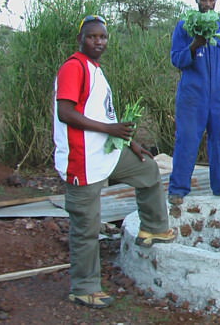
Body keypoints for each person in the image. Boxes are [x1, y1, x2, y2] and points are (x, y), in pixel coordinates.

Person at [54, 15, 175, 309]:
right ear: (80, 39)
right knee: (86, 225)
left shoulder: (95, 69)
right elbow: (66, 113)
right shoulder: (74, 67)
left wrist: (126, 140)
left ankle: (154, 227)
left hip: (105, 151)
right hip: (81, 159)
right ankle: (84, 287)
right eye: (93, 37)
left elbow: (103, 113)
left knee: (147, 168)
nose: (99, 42)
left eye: (103, 37)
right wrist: (110, 130)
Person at [168, 0, 220, 204]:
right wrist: (194, 46)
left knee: (219, 140)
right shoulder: (185, 26)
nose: (208, 4)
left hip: (218, 95)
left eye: (212, 0)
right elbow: (176, 59)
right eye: (204, 0)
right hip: (192, 95)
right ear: (196, 0)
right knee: (187, 139)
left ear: (216, 1)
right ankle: (178, 189)